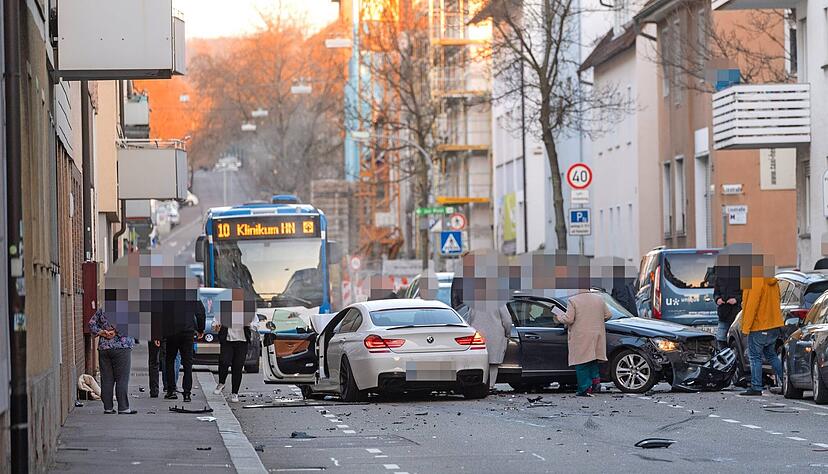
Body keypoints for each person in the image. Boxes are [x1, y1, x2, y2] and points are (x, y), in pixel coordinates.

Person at [556, 291, 612, 397]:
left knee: (581, 363)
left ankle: (585, 388)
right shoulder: (599, 298)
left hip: (581, 336)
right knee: (592, 360)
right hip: (597, 334)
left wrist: (559, 317)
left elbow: (569, 319)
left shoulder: (573, 300)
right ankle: (596, 384)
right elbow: (608, 315)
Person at [739, 266, 784, 396]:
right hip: (773, 324)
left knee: (755, 356)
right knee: (771, 354)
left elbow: (751, 305)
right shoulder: (771, 281)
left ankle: (756, 387)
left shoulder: (754, 280)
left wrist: (746, 327)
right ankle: (786, 382)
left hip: (759, 325)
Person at [164, 276, 206, 402]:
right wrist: (200, 329)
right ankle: (187, 393)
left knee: (170, 360)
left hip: (172, 332)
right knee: (188, 363)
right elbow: (200, 313)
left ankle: (171, 390)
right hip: (187, 332)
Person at [89, 308, 137, 414]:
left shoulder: (103, 309)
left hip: (104, 348)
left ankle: (108, 407)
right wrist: (115, 333)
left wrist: (102, 332)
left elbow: (91, 324)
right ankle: (123, 407)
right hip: (122, 347)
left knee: (106, 379)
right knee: (122, 378)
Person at [713, 263, 742, 351]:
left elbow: (747, 294)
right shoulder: (720, 276)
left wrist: (736, 299)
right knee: (720, 338)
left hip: (737, 313)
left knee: (736, 340)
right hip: (723, 313)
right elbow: (716, 293)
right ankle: (724, 358)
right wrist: (717, 299)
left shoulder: (742, 275)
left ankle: (734, 358)